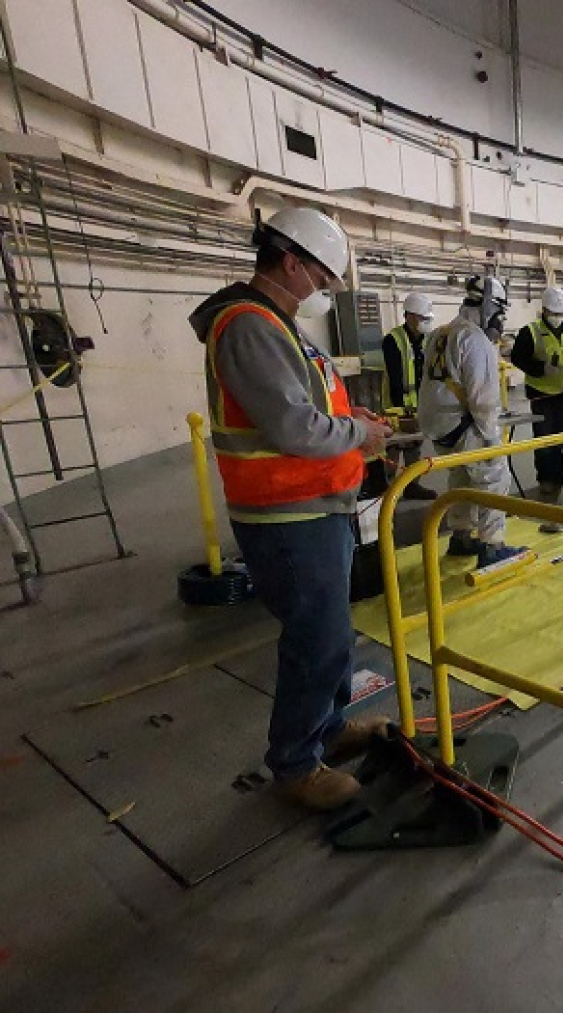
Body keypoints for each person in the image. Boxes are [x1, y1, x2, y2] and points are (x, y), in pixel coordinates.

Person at [189, 207, 393, 812]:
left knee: (331, 632)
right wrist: (356, 432)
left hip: (316, 506)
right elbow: (293, 427)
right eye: (322, 277)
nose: (324, 291)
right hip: (285, 514)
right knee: (317, 637)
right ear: (289, 261)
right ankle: (296, 763)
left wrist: (356, 434)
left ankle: (327, 728)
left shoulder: (275, 324)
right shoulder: (250, 325)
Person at [419, 277, 526, 568]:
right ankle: (493, 545)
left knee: (461, 479)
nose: (499, 321)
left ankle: (462, 536)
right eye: (499, 313)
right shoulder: (475, 339)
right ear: (490, 306)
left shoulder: (440, 332)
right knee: (494, 478)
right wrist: (491, 435)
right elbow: (483, 396)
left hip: (438, 425)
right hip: (464, 423)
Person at [509, 285, 563, 496]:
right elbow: (518, 357)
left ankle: (559, 475)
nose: (557, 317)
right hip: (541, 394)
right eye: (553, 313)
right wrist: (539, 369)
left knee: (558, 438)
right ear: (544, 310)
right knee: (544, 441)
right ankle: (546, 479)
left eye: (560, 313)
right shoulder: (531, 332)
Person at [381, 291, 437, 499]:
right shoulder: (393, 340)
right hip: (396, 404)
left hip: (419, 404)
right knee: (393, 446)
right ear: (409, 316)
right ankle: (386, 490)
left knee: (414, 447)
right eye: (421, 318)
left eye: (426, 319)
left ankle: (412, 485)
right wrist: (401, 410)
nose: (424, 322)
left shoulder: (427, 340)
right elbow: (395, 378)